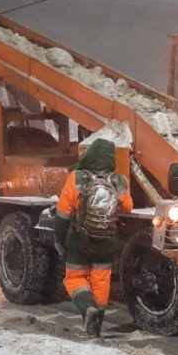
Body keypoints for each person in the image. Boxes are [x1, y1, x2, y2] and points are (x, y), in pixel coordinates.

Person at [53, 138, 132, 337]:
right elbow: (128, 207)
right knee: (101, 282)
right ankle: (96, 326)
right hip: (106, 241)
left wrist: (59, 239)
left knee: (75, 278)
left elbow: (63, 213)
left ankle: (87, 308)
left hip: (79, 239)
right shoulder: (120, 180)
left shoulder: (76, 178)